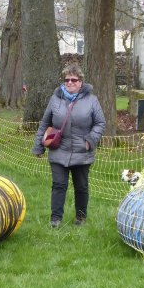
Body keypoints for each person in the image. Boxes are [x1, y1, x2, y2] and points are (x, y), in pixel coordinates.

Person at [32, 64, 106, 228]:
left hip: (82, 151)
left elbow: (100, 123)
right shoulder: (55, 99)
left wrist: (90, 140)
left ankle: (80, 217)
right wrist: (38, 146)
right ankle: (55, 219)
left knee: (81, 186)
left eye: (74, 79)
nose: (70, 82)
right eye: (67, 80)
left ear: (81, 82)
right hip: (58, 150)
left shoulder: (91, 100)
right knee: (58, 185)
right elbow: (45, 123)